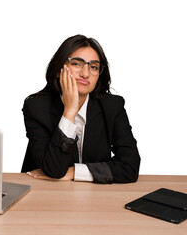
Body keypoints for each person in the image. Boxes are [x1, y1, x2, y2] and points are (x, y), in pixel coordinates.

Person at [21, 34, 140, 184]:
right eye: (77, 63)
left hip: (95, 196)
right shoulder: (37, 107)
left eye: (93, 67)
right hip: (44, 192)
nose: (85, 73)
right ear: (59, 69)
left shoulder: (112, 106)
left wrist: (74, 172)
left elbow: (130, 167)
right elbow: (54, 170)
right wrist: (69, 112)